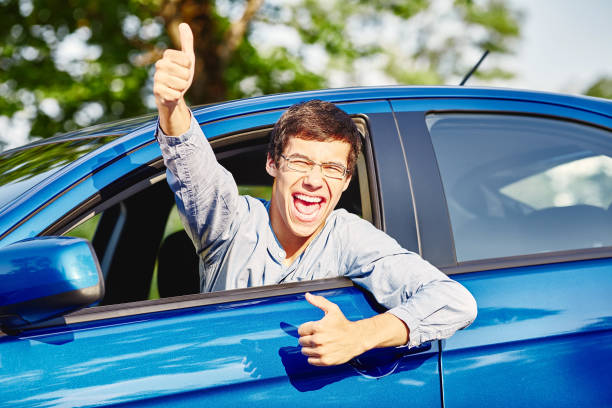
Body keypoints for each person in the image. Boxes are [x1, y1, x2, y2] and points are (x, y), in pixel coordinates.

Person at [154, 23, 477, 367]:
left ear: (346, 180)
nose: (313, 179)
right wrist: (172, 107)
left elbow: (455, 301)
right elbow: (195, 171)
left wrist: (360, 335)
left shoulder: (347, 235)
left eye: (332, 169)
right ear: (272, 164)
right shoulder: (233, 223)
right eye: (300, 161)